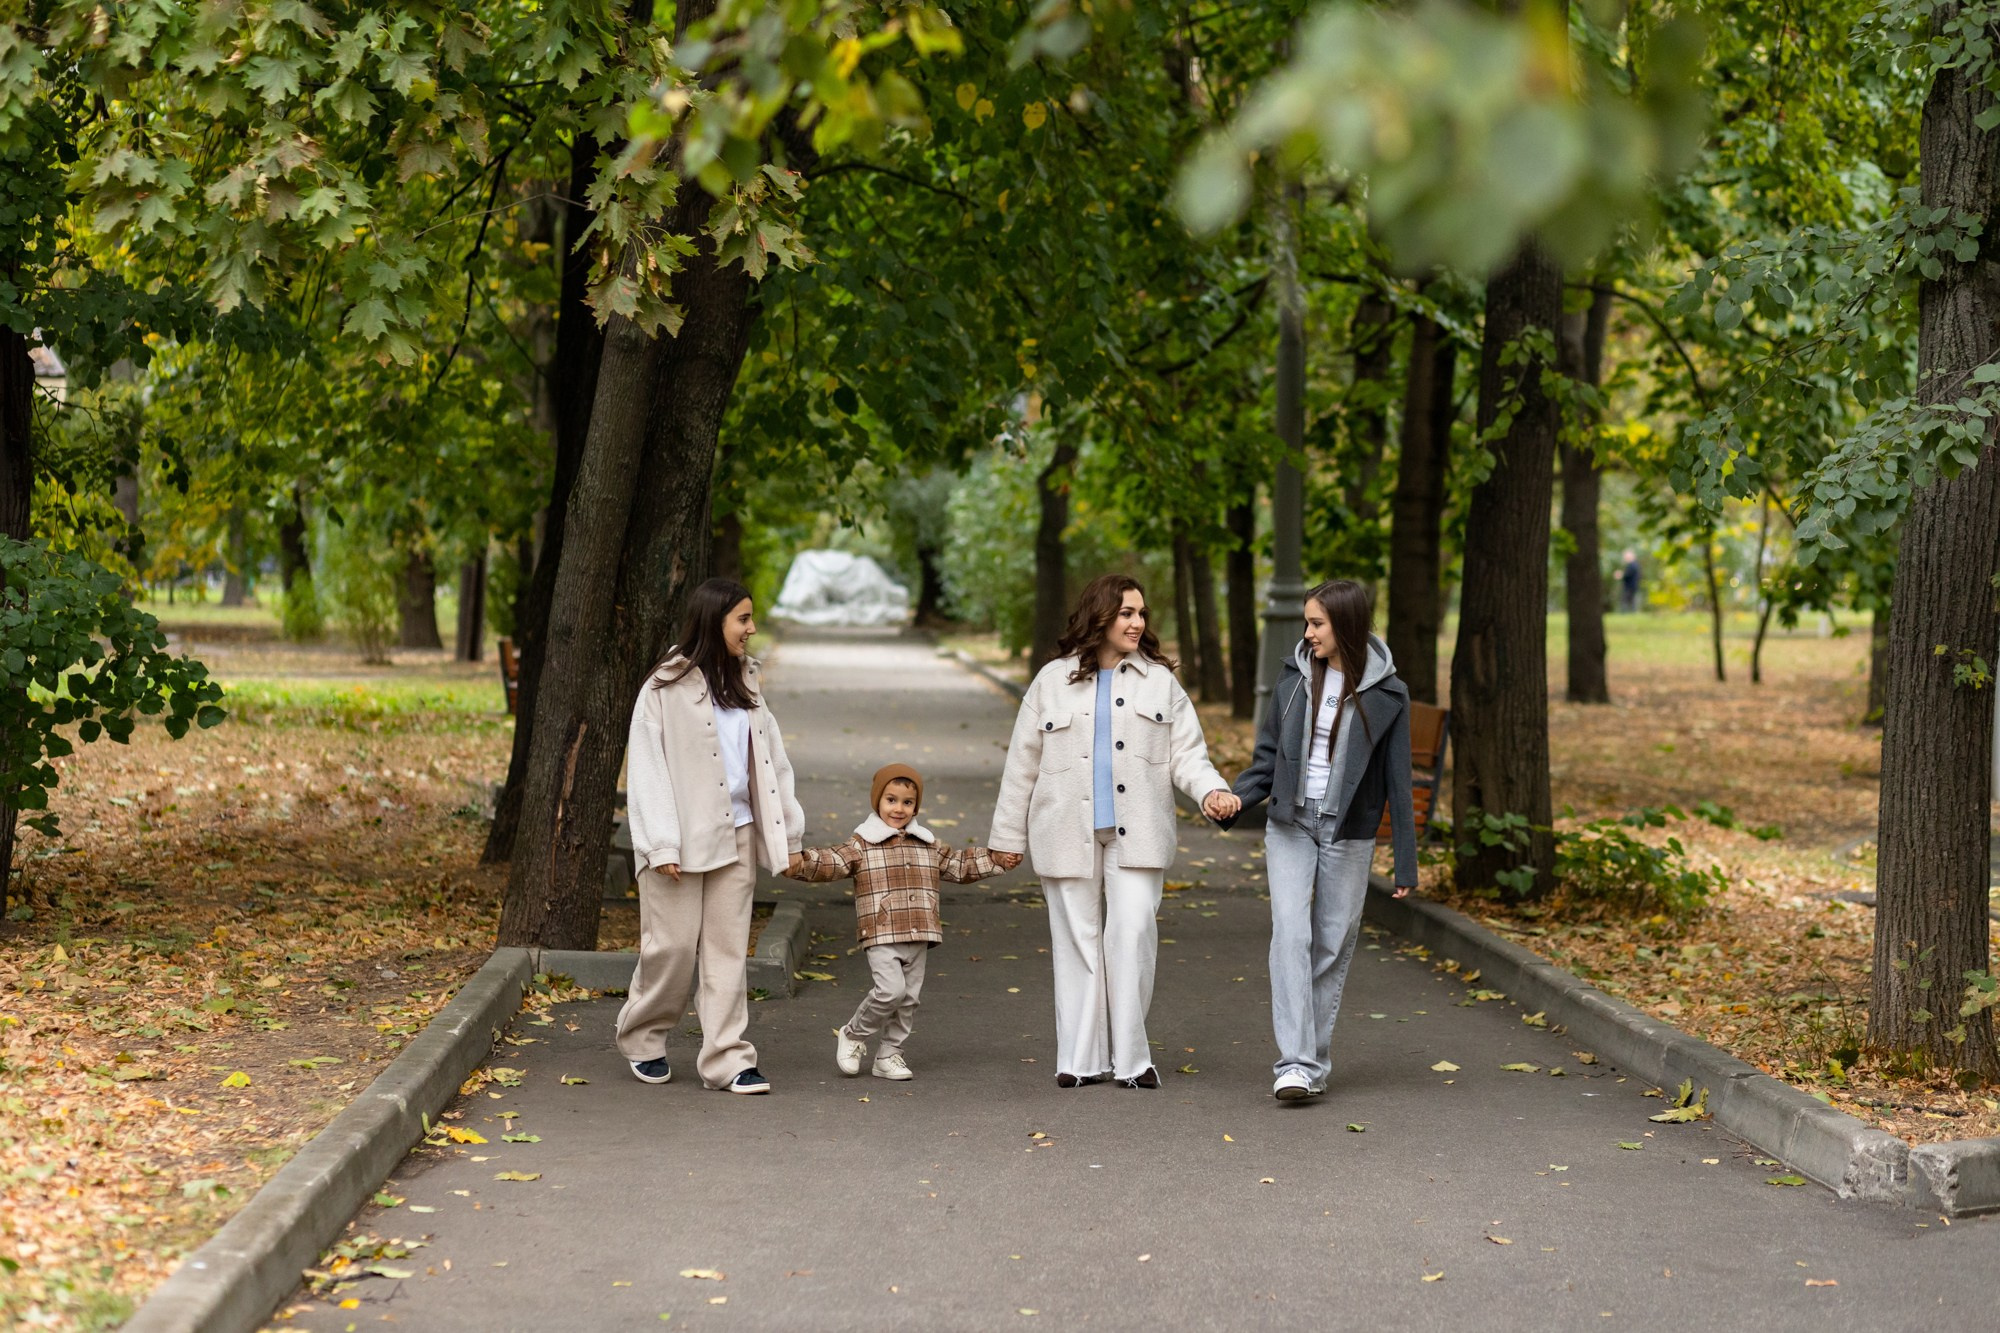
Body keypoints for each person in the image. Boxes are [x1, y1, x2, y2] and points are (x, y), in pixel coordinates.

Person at [989, 573, 1241, 1090]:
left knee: (1132, 934)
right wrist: (1007, 838)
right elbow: (1022, 765)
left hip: (1140, 833)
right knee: (1077, 944)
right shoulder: (1051, 681)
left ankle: (1131, 1059)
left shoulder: (1159, 682)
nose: (1137, 622)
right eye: (1127, 612)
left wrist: (1212, 791)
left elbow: (1188, 755)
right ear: (1100, 615)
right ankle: (1079, 1060)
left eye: (1141, 613)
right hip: (1064, 830)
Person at [1229, 579, 1417, 1102]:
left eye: (1317, 623)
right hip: (1291, 822)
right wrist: (1236, 800)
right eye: (1307, 623)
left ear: (1346, 625)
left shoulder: (1389, 693)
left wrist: (1406, 862)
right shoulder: (1294, 677)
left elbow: (1399, 781)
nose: (1308, 633)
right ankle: (1295, 1063)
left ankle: (1311, 1065)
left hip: (1348, 830)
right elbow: (1267, 756)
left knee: (1332, 944)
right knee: (1291, 936)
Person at [616, 578, 805, 1094]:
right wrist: (660, 843)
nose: (752, 628)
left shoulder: (748, 683)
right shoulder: (663, 687)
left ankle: (727, 1058)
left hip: (737, 834)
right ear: (713, 620)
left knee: (727, 953)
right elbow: (647, 770)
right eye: (743, 618)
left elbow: (773, 763)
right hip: (678, 841)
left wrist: (788, 832)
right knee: (672, 949)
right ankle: (643, 1037)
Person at [786, 763, 1006, 1081]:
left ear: (916, 806)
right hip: (881, 931)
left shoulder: (928, 845)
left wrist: (995, 859)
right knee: (890, 991)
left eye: (907, 802)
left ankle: (889, 1055)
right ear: (877, 800)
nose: (899, 809)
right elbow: (831, 861)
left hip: (920, 931)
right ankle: (853, 1034)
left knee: (908, 1000)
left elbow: (960, 865)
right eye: (891, 800)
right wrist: (799, 862)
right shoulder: (862, 844)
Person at [1618, 549, 1642, 613]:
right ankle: (1631, 612)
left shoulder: (1633, 565)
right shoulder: (1634, 564)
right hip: (1632, 585)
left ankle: (1627, 612)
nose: (1625, 558)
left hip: (1630, 586)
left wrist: (1621, 575)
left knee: (1626, 600)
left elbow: (1628, 574)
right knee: (1630, 600)